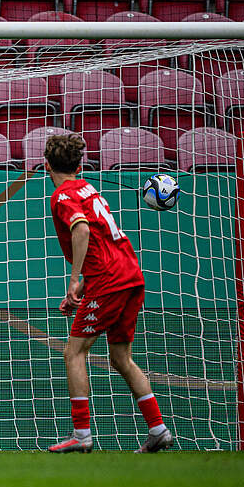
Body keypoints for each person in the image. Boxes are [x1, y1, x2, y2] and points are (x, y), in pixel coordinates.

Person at [43, 134, 173, 454]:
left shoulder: (63, 196)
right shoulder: (89, 188)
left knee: (73, 352)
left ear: (47, 166)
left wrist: (75, 281)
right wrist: (83, 286)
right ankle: (158, 430)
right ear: (79, 164)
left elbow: (83, 229)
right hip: (129, 274)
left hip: (109, 280)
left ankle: (82, 435)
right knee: (120, 357)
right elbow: (102, 245)